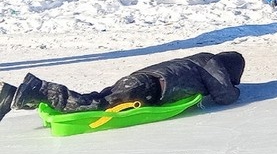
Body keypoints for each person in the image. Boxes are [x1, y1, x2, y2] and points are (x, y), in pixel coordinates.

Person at [0, 51, 246, 121]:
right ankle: (38, 88)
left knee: (91, 99)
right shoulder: (212, 62)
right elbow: (225, 96)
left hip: (140, 81)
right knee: (92, 106)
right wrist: (236, 90)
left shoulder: (195, 60)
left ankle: (14, 96)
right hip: (147, 87)